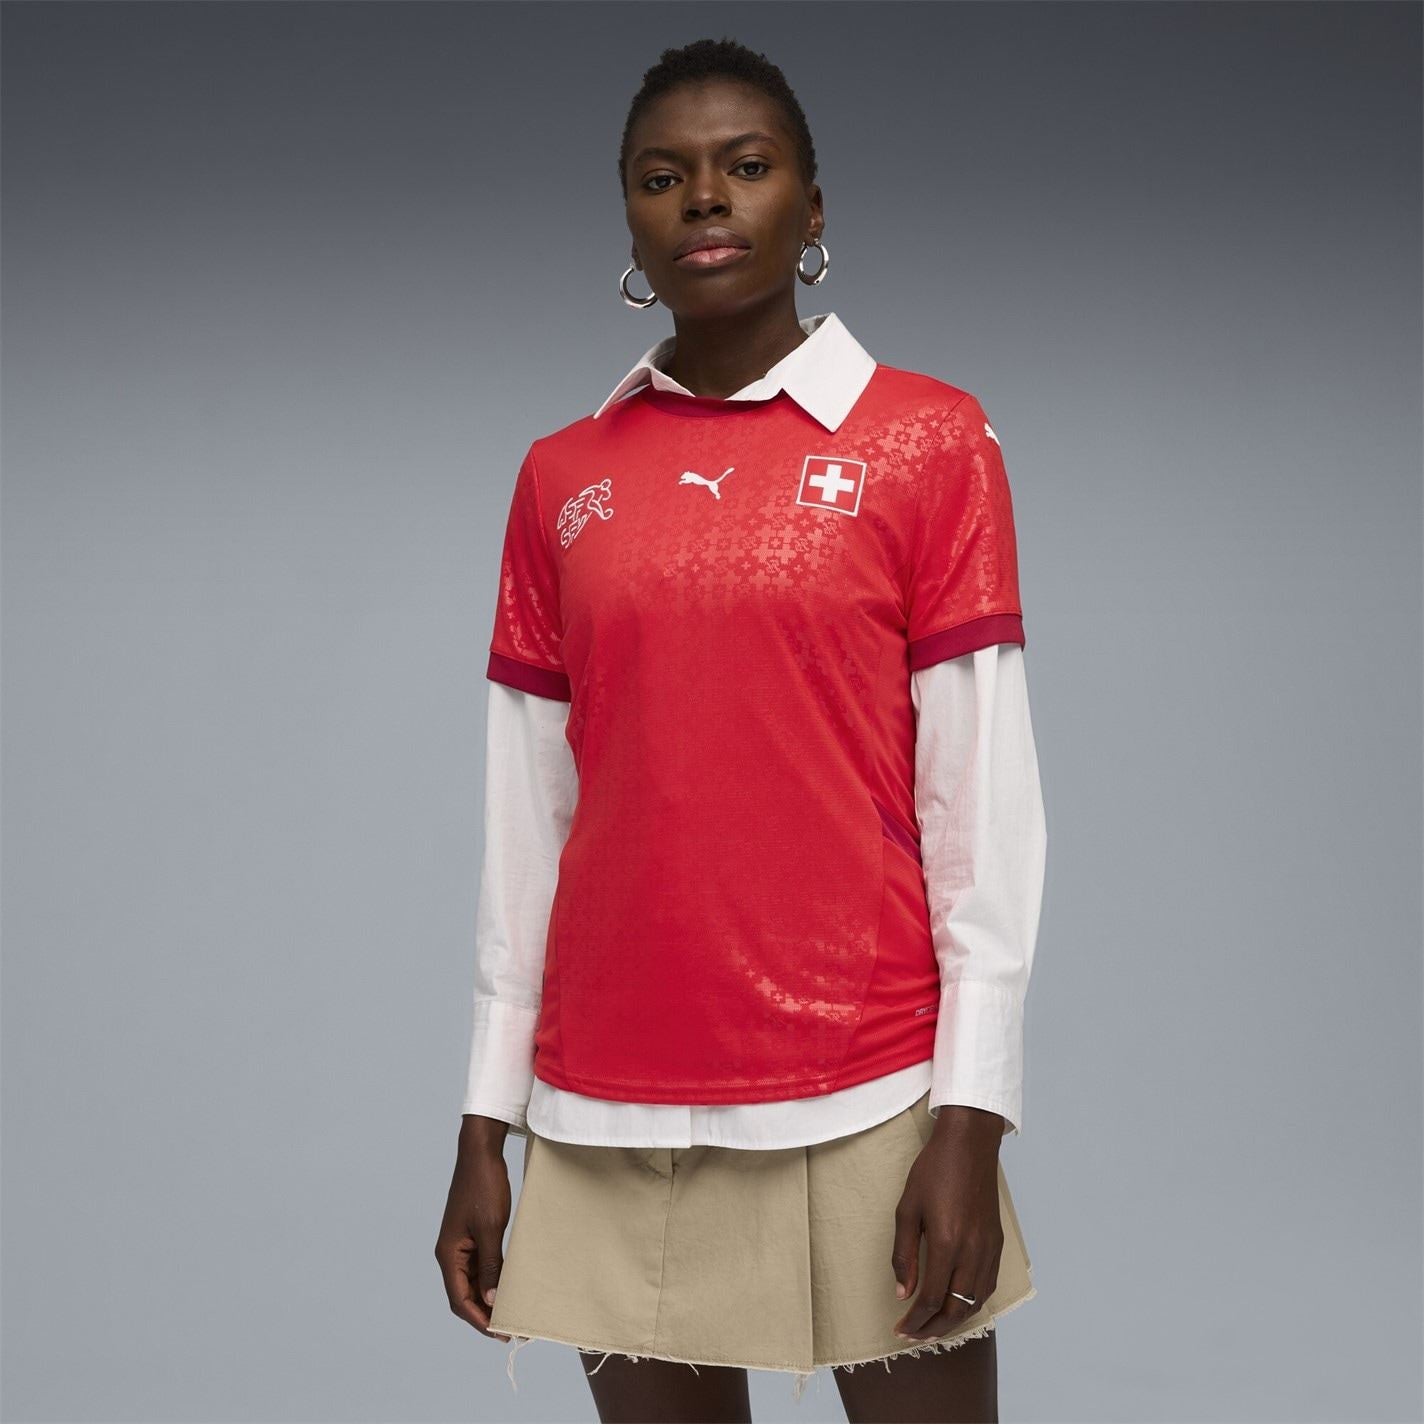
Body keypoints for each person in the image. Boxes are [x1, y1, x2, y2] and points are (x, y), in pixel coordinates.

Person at [435, 37, 1047, 1425]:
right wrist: (485, 1122)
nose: (703, 199)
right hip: (602, 1108)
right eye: (663, 178)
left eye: (746, 167)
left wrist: (973, 1113)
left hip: (868, 1085)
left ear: (811, 207)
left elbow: (980, 805)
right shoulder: (560, 479)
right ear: (630, 222)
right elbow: (528, 827)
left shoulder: (928, 441)